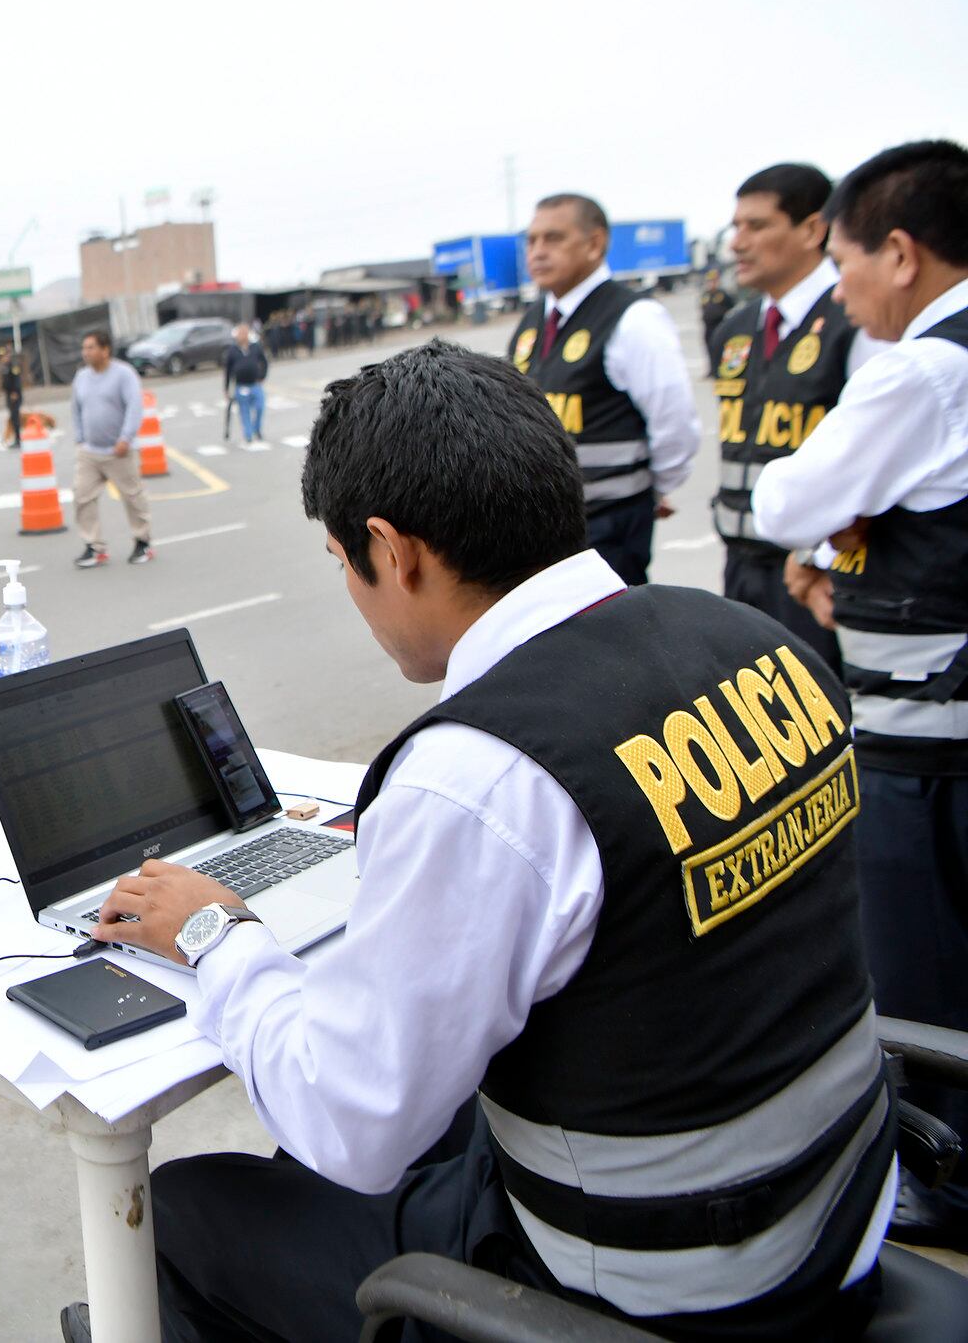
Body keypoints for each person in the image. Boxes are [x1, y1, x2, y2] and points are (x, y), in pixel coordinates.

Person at [59, 339, 894, 1343]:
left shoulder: (481, 777)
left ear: (392, 550)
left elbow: (351, 1127)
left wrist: (216, 936)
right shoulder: (753, 642)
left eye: (342, 565)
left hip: (657, 1284)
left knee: (184, 1217)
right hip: (833, 1198)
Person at [752, 139, 968, 1249]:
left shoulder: (924, 368)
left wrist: (834, 523)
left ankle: (946, 1173)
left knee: (921, 963)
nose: (838, 290)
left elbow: (791, 493)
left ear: (898, 252)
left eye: (841, 262)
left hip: (923, 747)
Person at [710, 163, 888, 671]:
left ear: (813, 230)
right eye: (735, 227)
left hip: (812, 571)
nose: (737, 243)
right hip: (741, 566)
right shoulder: (736, 328)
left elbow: (875, 461)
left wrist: (823, 558)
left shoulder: (855, 322)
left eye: (757, 226)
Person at [509, 193, 700, 586]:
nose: (538, 252)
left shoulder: (633, 318)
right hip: (543, 532)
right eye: (531, 241)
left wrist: (654, 487)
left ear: (595, 243)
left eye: (553, 238)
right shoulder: (533, 321)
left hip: (610, 527)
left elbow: (673, 420)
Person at [69, 329, 152, 567]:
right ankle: (94, 546)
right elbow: (76, 409)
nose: (85, 352)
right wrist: (80, 438)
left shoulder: (124, 374)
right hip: (90, 451)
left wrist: (126, 438)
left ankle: (142, 541)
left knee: (132, 496)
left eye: (91, 347)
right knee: (82, 496)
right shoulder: (82, 377)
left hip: (118, 450)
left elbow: (135, 407)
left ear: (105, 350)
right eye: (84, 348)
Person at [222, 323, 269, 445]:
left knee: (260, 407)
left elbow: (264, 361)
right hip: (241, 386)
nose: (241, 335)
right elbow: (227, 370)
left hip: (255, 384)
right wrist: (226, 388)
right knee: (244, 411)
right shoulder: (232, 350)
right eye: (239, 333)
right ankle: (248, 434)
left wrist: (262, 376)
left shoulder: (255, 347)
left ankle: (256, 429)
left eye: (244, 333)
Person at [700, 272, 738, 375]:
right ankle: (712, 370)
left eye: (713, 281)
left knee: (720, 347)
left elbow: (732, 305)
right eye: (709, 281)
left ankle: (720, 369)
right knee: (709, 348)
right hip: (708, 326)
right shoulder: (706, 294)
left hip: (719, 324)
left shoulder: (722, 294)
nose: (711, 283)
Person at [0, 354, 24, 448]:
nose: (2, 359)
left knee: (15, 418)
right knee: (13, 418)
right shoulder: (5, 367)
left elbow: (17, 380)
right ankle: (16, 438)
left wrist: (15, 392)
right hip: (9, 395)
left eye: (4, 356)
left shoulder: (13, 366)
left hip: (14, 395)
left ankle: (18, 439)